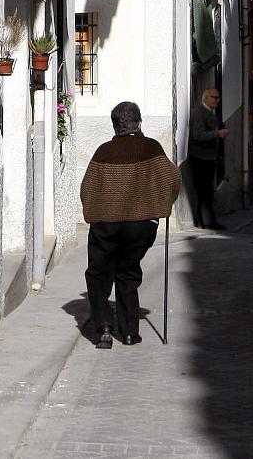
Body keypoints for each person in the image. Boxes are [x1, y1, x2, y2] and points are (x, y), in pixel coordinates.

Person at [80, 101, 180, 349]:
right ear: (139, 123)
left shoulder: (103, 151)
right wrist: (163, 204)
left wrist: (94, 211)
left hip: (106, 223)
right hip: (141, 225)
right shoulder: (151, 148)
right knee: (127, 271)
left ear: (115, 126)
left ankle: (103, 326)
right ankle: (129, 333)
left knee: (98, 273)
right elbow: (172, 179)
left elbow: (87, 188)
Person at [188, 88, 227, 230]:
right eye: (214, 98)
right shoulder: (200, 113)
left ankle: (208, 220)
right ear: (205, 98)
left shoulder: (209, 112)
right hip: (201, 157)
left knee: (207, 190)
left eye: (218, 98)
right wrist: (217, 133)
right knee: (204, 190)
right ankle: (206, 221)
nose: (217, 100)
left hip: (208, 157)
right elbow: (197, 135)